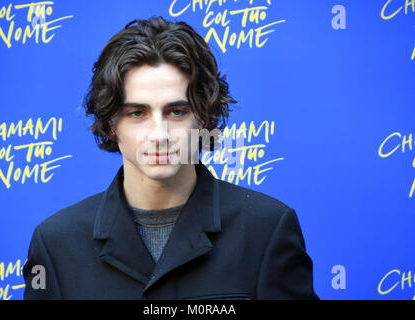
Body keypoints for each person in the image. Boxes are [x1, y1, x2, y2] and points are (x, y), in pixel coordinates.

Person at [23, 16, 318, 300]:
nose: (159, 134)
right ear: (111, 124)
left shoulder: (267, 230)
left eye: (176, 112)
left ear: (203, 117)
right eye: (137, 113)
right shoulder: (56, 244)